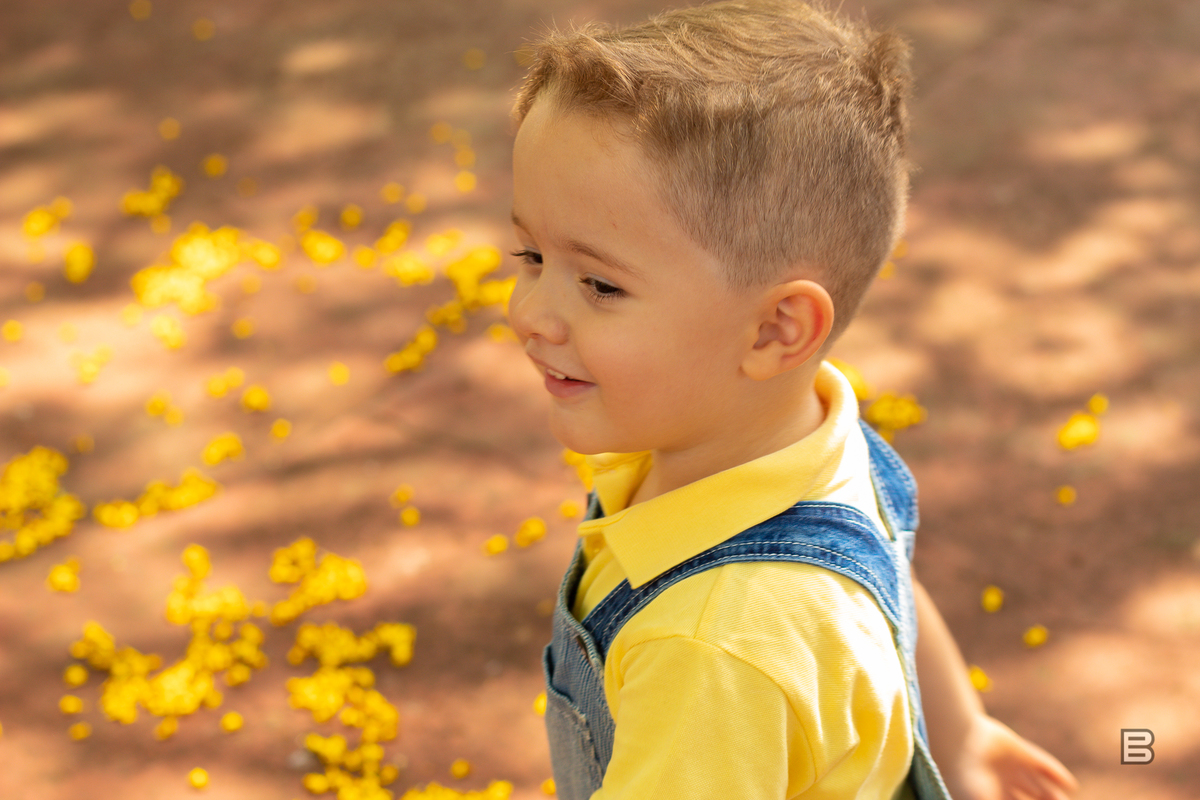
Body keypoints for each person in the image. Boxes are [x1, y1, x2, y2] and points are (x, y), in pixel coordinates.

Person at [503, 1, 1080, 798]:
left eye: (600, 284)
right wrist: (962, 733)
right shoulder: (816, 438)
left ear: (777, 330)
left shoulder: (709, 651)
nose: (528, 314)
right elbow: (886, 578)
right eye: (531, 256)